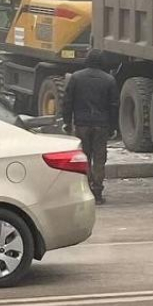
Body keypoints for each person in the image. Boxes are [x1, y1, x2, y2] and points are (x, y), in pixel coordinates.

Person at [61, 50, 118, 205]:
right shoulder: (109, 80)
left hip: (81, 124)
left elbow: (68, 101)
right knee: (99, 160)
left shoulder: (76, 77)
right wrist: (113, 127)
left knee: (83, 158)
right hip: (101, 125)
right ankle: (97, 191)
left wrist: (67, 121)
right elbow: (113, 105)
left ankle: (84, 189)